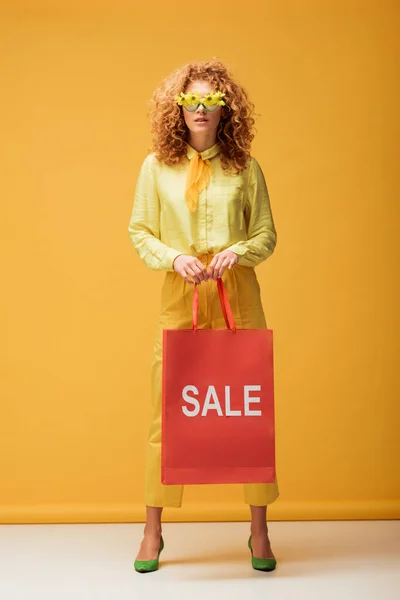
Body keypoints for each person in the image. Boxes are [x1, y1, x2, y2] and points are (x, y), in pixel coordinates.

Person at [127, 58, 279, 573]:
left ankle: (259, 530)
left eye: (210, 100)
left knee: (248, 408)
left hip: (238, 295)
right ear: (178, 108)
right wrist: (175, 257)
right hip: (181, 295)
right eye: (190, 99)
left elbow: (266, 234)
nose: (199, 108)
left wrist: (241, 251)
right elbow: (140, 230)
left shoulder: (246, 168)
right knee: (167, 410)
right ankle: (152, 532)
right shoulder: (155, 167)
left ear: (225, 110)